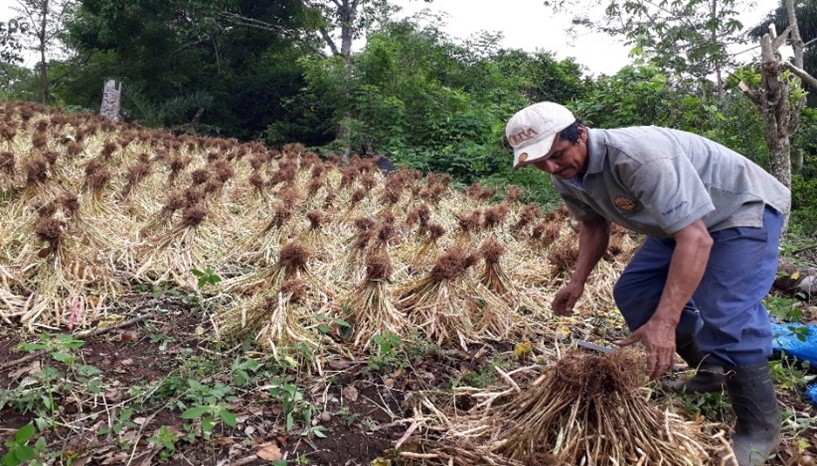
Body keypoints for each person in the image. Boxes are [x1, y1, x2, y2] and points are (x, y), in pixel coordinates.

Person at [506, 102, 790, 466]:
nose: (551, 168)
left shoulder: (638, 157)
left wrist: (666, 321)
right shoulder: (564, 173)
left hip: (739, 209)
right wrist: (577, 282)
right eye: (539, 163)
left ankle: (760, 429)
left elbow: (697, 239)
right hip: (680, 223)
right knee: (634, 290)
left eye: (557, 155)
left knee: (727, 309)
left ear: (580, 132)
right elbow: (593, 226)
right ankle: (712, 371)